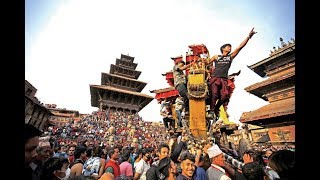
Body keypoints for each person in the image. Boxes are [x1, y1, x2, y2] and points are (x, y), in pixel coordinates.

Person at [207, 28, 257, 120]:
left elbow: (240, 47)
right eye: (228, 47)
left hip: (224, 79)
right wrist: (208, 72)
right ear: (223, 48)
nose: (230, 48)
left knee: (225, 96)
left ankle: (217, 108)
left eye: (230, 47)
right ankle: (211, 111)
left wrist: (248, 37)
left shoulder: (230, 57)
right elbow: (207, 64)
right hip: (215, 78)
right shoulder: (216, 56)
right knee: (214, 94)